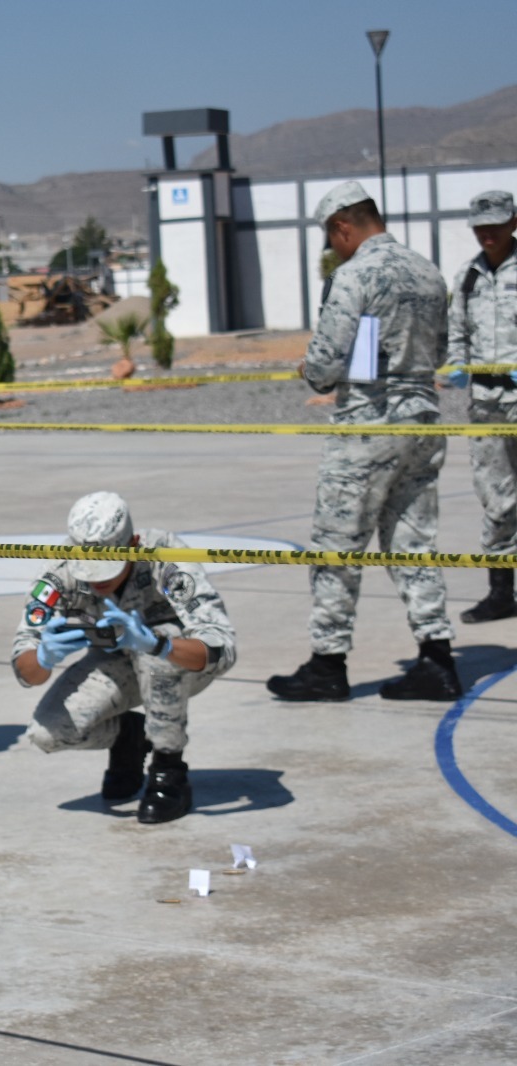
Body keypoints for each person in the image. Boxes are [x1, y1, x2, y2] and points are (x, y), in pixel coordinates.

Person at [267, 181, 461, 703]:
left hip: (368, 426)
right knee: (414, 543)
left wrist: (310, 370)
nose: (334, 250)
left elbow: (327, 367)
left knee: (336, 546)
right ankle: (437, 658)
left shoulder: (353, 276)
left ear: (343, 227)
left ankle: (328, 664)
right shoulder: (428, 271)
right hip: (422, 422)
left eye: (333, 240)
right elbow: (441, 350)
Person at [13, 493, 236, 824]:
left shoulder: (165, 558)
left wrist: (159, 645)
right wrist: (43, 657)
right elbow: (23, 668)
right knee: (48, 732)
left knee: (155, 659)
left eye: (107, 569)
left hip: (178, 665)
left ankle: (168, 770)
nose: (97, 579)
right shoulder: (60, 572)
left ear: (132, 544)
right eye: (89, 571)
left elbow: (223, 648)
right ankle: (128, 737)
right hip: (116, 665)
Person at [443, 190, 517, 623]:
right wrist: (455, 366)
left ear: (513, 222)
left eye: (495, 223)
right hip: (487, 404)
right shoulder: (467, 276)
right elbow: (458, 338)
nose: (487, 232)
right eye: (480, 225)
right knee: (496, 497)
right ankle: (502, 591)